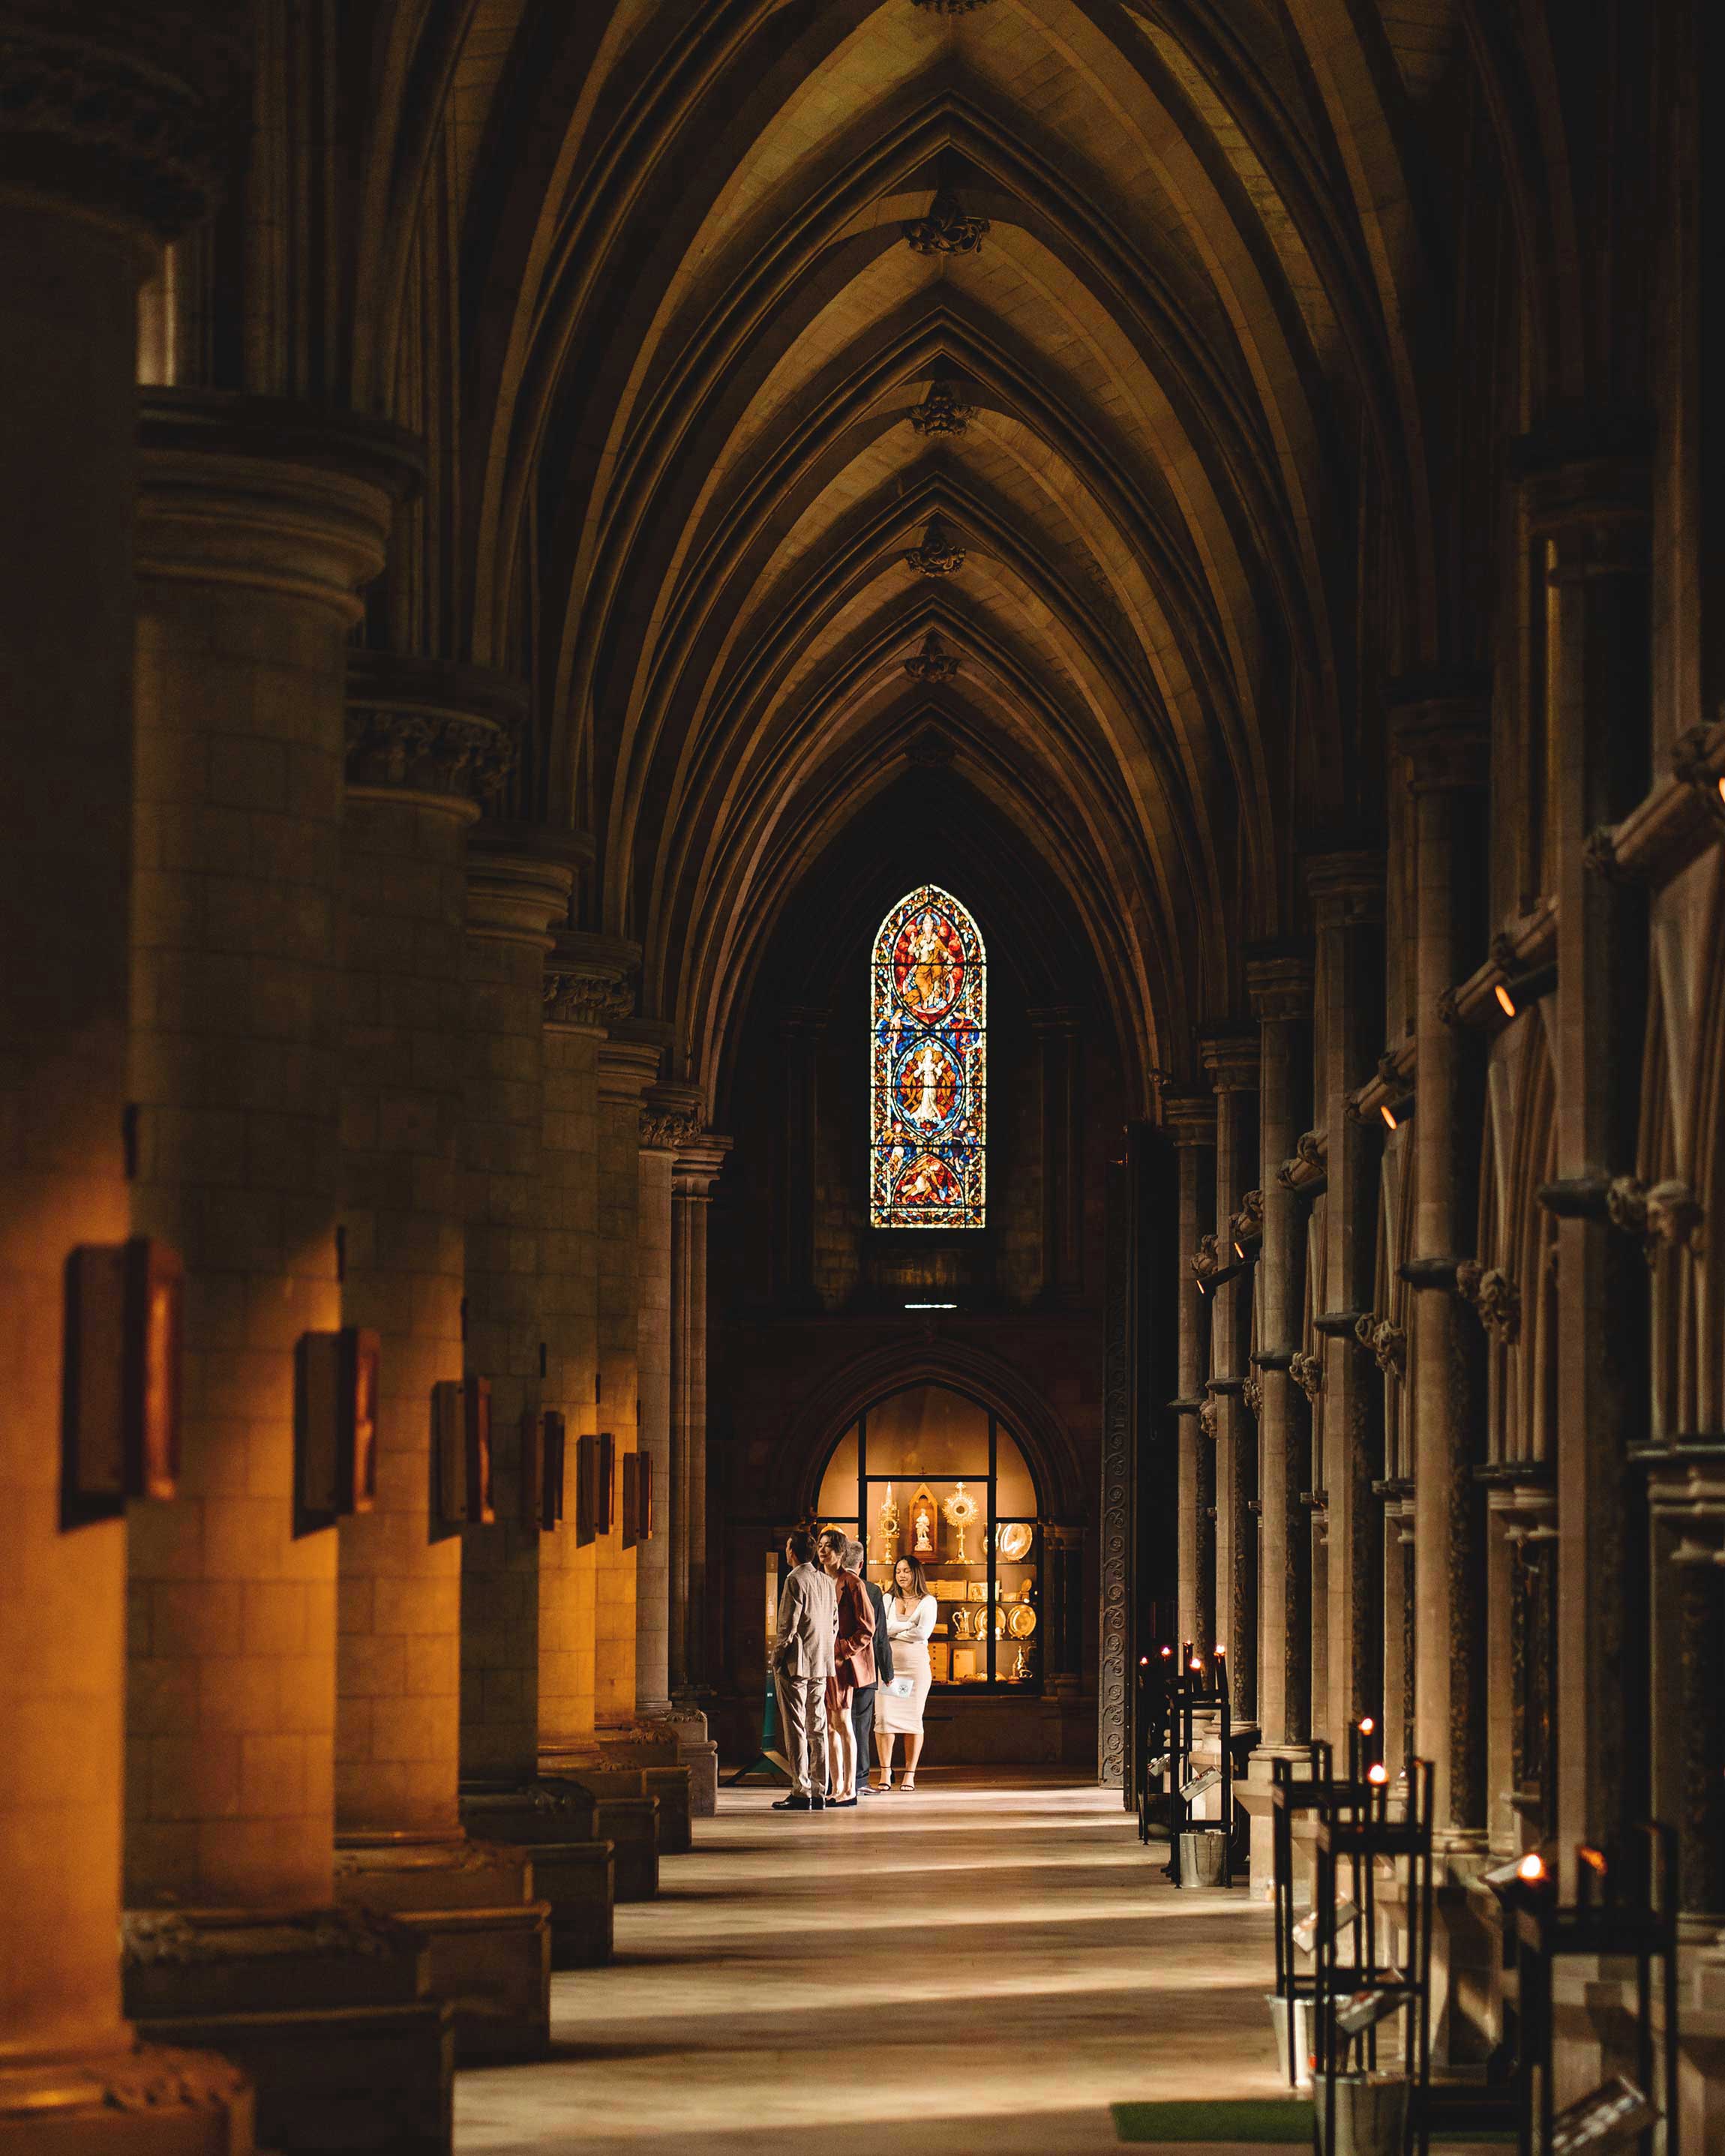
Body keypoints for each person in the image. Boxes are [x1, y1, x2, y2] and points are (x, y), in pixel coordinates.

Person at [771, 1528, 836, 1811]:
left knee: (795, 1726)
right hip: (821, 1661)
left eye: (787, 1548)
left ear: (792, 1552)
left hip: (796, 1663)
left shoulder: (794, 1579)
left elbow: (787, 1625)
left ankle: (801, 1789)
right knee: (818, 1726)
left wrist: (777, 1656)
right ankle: (820, 1789)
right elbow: (833, 1624)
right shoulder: (825, 1581)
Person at [820, 1532, 875, 1807]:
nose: (822, 1550)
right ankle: (836, 1787)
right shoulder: (819, 1580)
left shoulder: (852, 1583)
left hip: (840, 1662)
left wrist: (843, 1650)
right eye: (819, 1545)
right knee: (829, 1726)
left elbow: (867, 1627)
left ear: (840, 1552)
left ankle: (850, 1789)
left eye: (828, 1546)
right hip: (820, 1661)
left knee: (842, 1723)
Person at [874, 1553, 936, 1790]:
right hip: (890, 1670)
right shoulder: (887, 1599)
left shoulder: (928, 1601)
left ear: (916, 1574)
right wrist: (909, 1625)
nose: (901, 1575)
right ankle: (885, 1772)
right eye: (898, 1571)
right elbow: (881, 1629)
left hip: (915, 1671)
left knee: (912, 1720)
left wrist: (895, 1631)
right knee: (886, 1718)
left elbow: (923, 1634)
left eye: (907, 1571)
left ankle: (909, 1774)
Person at [851, 1542, 893, 1795]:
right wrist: (887, 1671)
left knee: (835, 1725)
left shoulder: (827, 1584)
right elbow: (879, 1637)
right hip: (865, 1669)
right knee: (860, 1724)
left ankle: (835, 1779)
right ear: (861, 1564)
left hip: (834, 1668)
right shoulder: (872, 1590)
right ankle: (859, 1779)